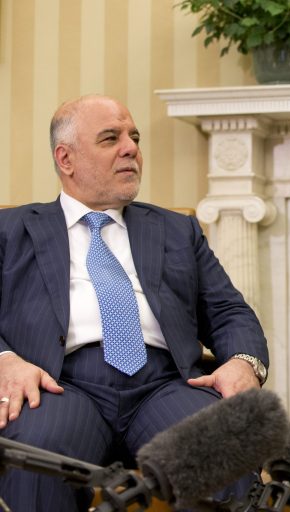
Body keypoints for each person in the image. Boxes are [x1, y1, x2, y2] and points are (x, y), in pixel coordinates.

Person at [0, 95, 270, 511]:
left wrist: (242, 363)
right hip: (59, 385)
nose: (131, 149)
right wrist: (5, 359)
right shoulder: (11, 229)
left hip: (165, 385)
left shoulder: (178, 230)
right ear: (65, 159)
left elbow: (228, 310)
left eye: (134, 137)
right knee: (38, 458)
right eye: (111, 138)